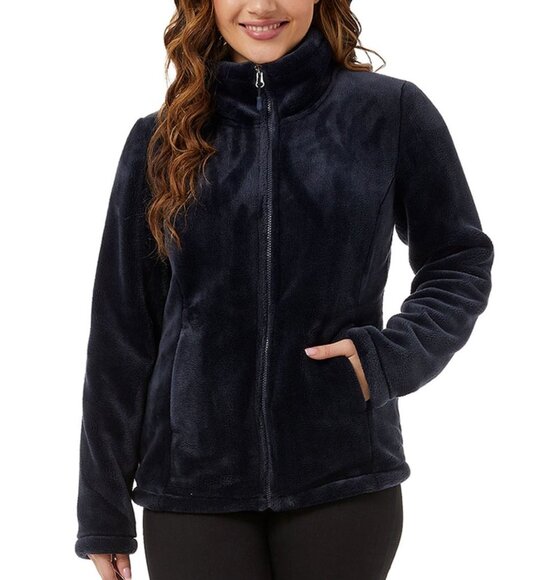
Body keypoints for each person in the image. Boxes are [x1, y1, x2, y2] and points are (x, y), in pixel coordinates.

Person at [74, 0, 494, 578]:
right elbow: (122, 331)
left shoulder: (389, 113)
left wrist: (388, 359)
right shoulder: (159, 139)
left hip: (342, 476)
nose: (263, 6)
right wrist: (102, 506)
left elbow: (458, 258)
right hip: (191, 485)